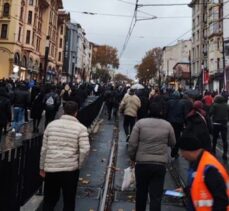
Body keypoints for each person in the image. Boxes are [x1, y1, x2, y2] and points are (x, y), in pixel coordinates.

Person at [40, 101, 90, 211]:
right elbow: (85, 150)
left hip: (52, 167)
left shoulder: (51, 125)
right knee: (69, 200)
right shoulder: (81, 128)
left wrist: (42, 166)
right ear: (76, 113)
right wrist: (79, 164)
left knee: (49, 199)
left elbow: (44, 149)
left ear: (63, 110)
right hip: (70, 169)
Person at [128, 103, 176, 211]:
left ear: (149, 110)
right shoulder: (167, 125)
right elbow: (173, 143)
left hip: (142, 164)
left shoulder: (140, 123)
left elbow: (132, 143)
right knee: (156, 196)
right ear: (162, 111)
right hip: (159, 165)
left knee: (141, 193)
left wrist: (132, 157)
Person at [178, 135, 229, 211]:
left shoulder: (209, 168)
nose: (181, 155)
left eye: (182, 152)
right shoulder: (201, 161)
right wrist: (186, 190)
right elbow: (200, 184)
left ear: (189, 150)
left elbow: (221, 200)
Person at [209, 95, 229, 160]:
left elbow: (210, 113)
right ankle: (225, 153)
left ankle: (213, 150)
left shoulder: (215, 105)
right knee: (224, 139)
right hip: (224, 123)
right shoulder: (226, 105)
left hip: (216, 123)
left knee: (215, 138)